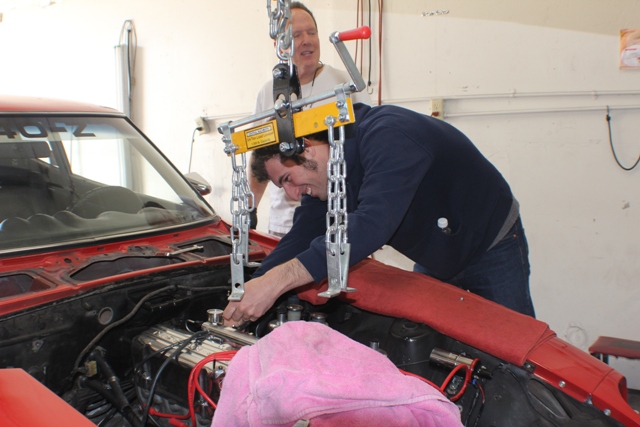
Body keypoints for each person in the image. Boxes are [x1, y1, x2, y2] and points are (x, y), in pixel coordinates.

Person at [224, 103, 536, 325]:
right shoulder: (326, 175)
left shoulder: (389, 135)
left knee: (514, 346)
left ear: (306, 148)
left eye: (287, 180)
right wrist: (253, 287)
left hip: (490, 242)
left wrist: (279, 281)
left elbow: (372, 224)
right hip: (435, 253)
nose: (293, 194)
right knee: (435, 342)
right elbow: (302, 234)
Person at [250, 1, 371, 236]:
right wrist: (251, 208)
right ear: (279, 45)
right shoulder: (268, 93)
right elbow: (259, 156)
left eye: (311, 32)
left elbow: (367, 152)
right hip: (284, 224)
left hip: (339, 219)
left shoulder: (344, 85)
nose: (307, 40)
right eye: (296, 35)